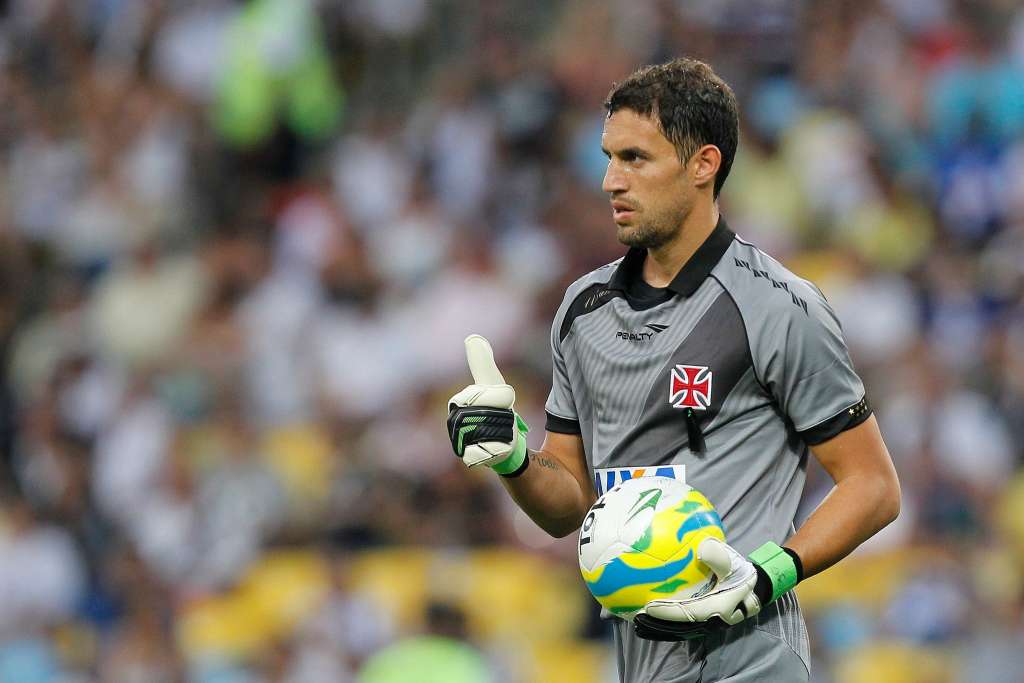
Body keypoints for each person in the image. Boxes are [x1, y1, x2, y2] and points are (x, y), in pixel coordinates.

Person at [446, 57, 901, 682]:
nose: (610, 180)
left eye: (635, 158)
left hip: (752, 660)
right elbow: (568, 507)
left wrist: (768, 575)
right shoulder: (583, 312)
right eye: (608, 157)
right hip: (641, 662)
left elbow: (873, 486)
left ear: (703, 165)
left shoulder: (776, 305)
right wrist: (513, 455)